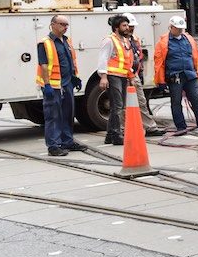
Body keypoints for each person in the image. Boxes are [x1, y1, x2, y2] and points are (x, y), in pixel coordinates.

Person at [154, 15, 198, 136]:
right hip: (174, 76)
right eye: (177, 28)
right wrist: (161, 80)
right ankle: (181, 127)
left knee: (196, 100)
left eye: (181, 28)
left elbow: (197, 57)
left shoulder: (188, 39)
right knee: (176, 102)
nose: (180, 30)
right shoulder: (163, 42)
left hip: (190, 75)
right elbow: (159, 62)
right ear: (171, 27)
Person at [36, 14, 85, 156]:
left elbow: (70, 61)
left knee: (68, 114)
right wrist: (47, 85)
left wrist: (75, 77)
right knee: (53, 115)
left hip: (67, 83)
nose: (65, 27)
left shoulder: (66, 41)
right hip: (53, 85)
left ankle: (67, 141)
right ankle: (53, 145)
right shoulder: (45, 43)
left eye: (67, 25)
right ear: (53, 25)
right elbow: (44, 65)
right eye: (62, 24)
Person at [123, 13, 164, 137]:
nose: (131, 29)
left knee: (141, 101)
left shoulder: (134, 39)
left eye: (132, 27)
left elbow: (138, 56)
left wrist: (139, 72)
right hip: (123, 75)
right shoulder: (117, 40)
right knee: (123, 105)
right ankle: (124, 129)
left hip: (133, 75)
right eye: (129, 26)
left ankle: (150, 127)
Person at [97, 13, 134, 144]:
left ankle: (110, 135)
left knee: (117, 106)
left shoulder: (125, 41)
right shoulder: (109, 40)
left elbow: (127, 60)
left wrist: (130, 76)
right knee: (117, 106)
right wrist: (103, 77)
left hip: (122, 76)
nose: (127, 27)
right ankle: (117, 135)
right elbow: (103, 59)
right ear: (116, 28)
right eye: (124, 25)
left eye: (127, 25)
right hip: (113, 76)